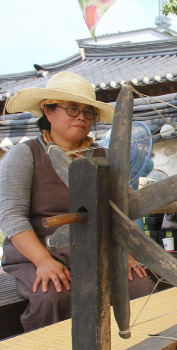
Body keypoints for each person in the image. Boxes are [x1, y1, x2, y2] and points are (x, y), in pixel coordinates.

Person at [0, 71, 154, 332]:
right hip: (40, 252)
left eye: (88, 111)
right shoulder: (25, 155)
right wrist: (43, 261)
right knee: (53, 295)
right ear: (47, 112)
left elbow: (120, 210)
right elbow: (11, 216)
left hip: (96, 252)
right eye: (72, 109)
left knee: (140, 286)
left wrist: (126, 253)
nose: (82, 117)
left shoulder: (104, 156)